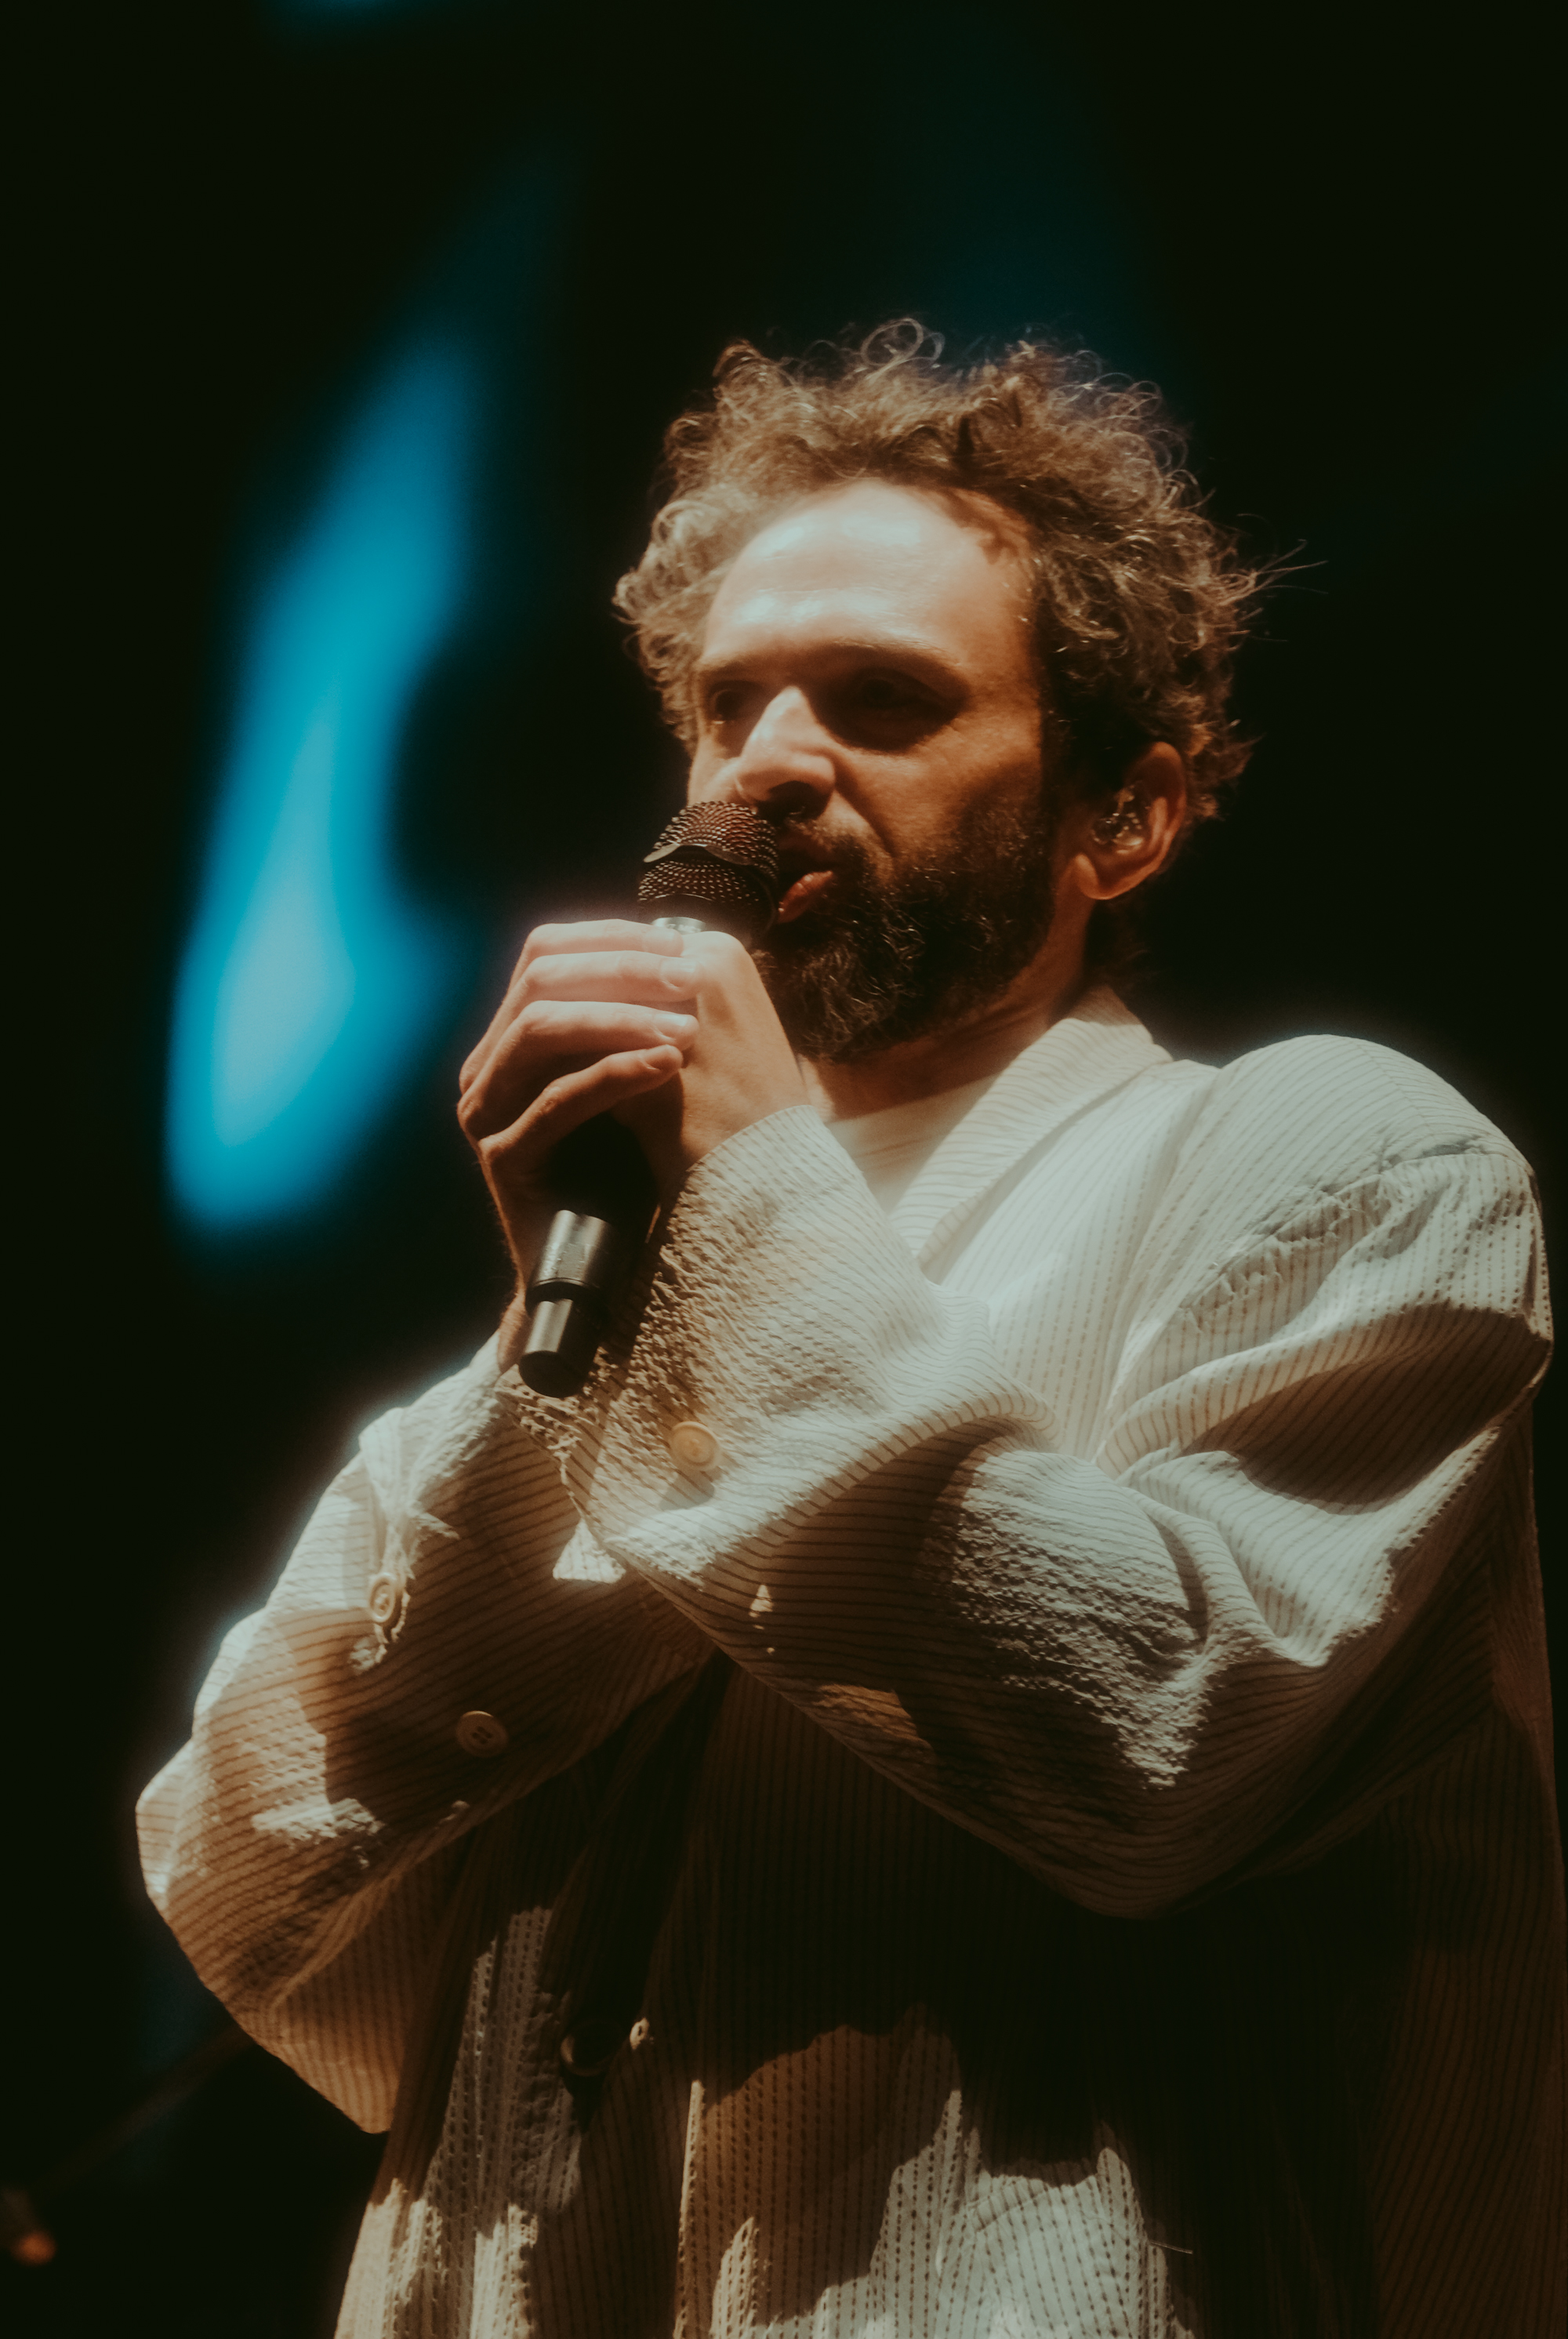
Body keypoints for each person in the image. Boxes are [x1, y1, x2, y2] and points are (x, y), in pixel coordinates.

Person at [139, 325, 1564, 2338]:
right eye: (729, 704)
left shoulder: (1331, 1156)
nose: (769, 765)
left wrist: (743, 1207)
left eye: (884, 701)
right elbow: (258, 1904)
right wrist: (576, 1333)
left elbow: (1151, 1746)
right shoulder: (610, 1270)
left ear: (1125, 818)